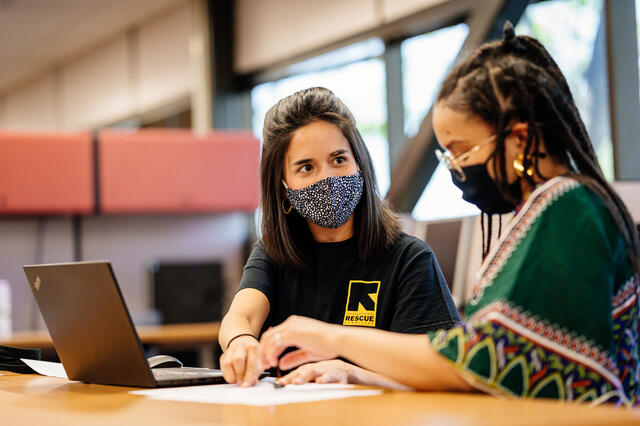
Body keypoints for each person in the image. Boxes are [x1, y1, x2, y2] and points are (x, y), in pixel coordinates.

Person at [257, 23, 640, 406]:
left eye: (461, 151)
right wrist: (352, 370)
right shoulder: (545, 210)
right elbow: (475, 363)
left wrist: (331, 337)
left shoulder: (568, 208)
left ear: (519, 139)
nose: (455, 167)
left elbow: (478, 359)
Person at [218, 87, 461, 387]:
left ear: (360, 165)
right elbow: (241, 316)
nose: (329, 179)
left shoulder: (409, 259)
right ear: (283, 189)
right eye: (307, 167)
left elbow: (442, 372)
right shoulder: (274, 254)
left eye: (339, 160)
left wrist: (353, 374)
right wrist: (240, 342)